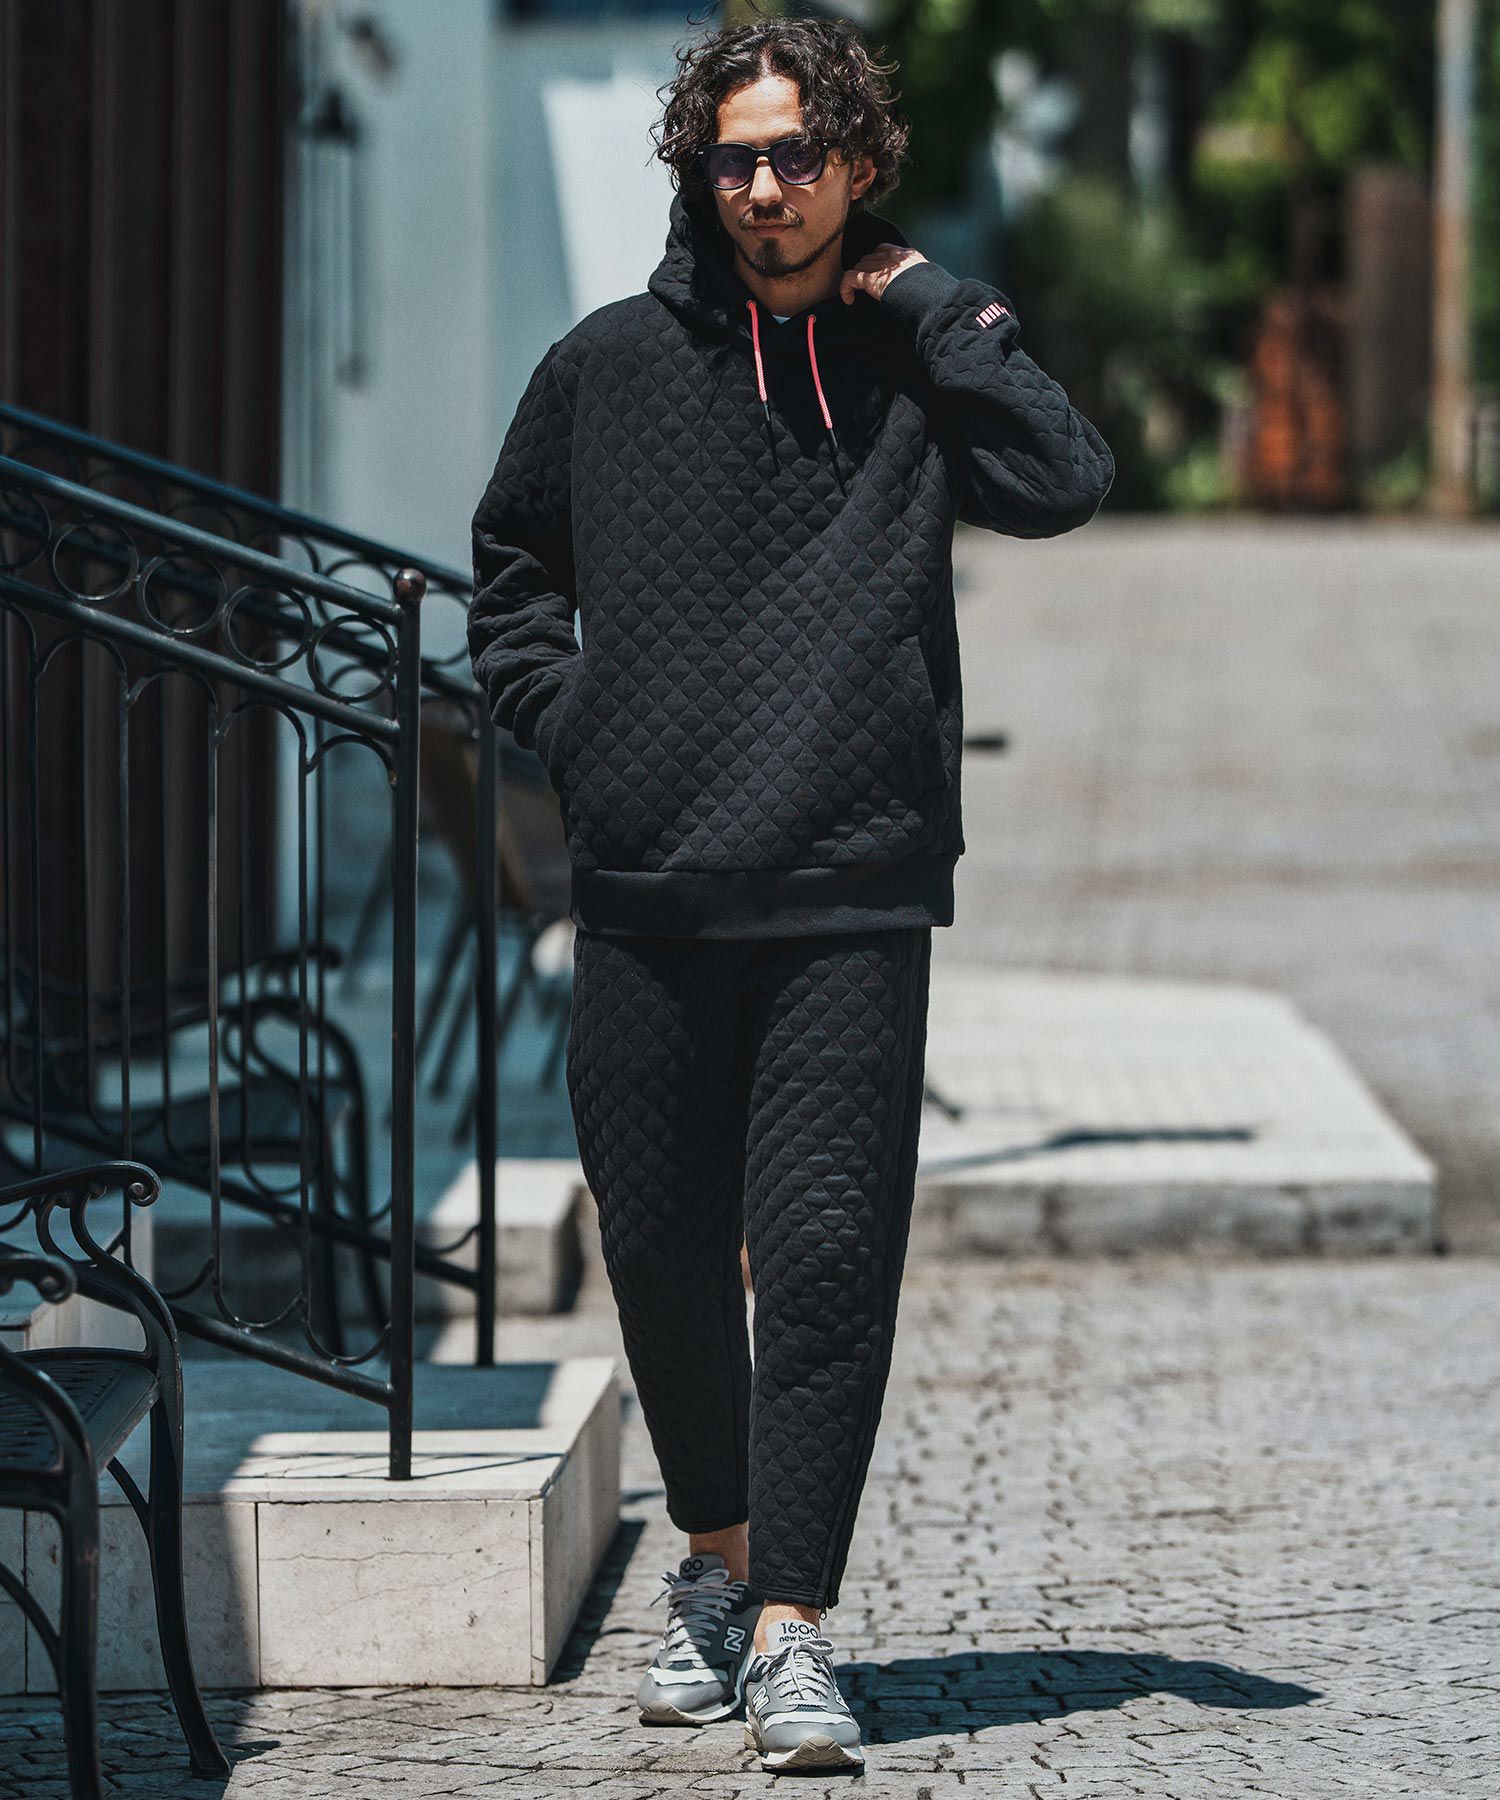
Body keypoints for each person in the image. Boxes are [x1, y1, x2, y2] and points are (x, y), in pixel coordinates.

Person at [468, 15, 1113, 1777]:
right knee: (663, 1253)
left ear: (857, 167)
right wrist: (578, 724)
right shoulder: (605, 366)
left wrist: (937, 303)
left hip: (849, 883)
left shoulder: (913, 362)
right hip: (648, 885)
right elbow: (510, 566)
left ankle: (795, 1630)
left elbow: (1065, 479)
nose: (765, 186)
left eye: (797, 155)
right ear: (703, 169)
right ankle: (717, 1564)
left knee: (825, 1264)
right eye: (736, 157)